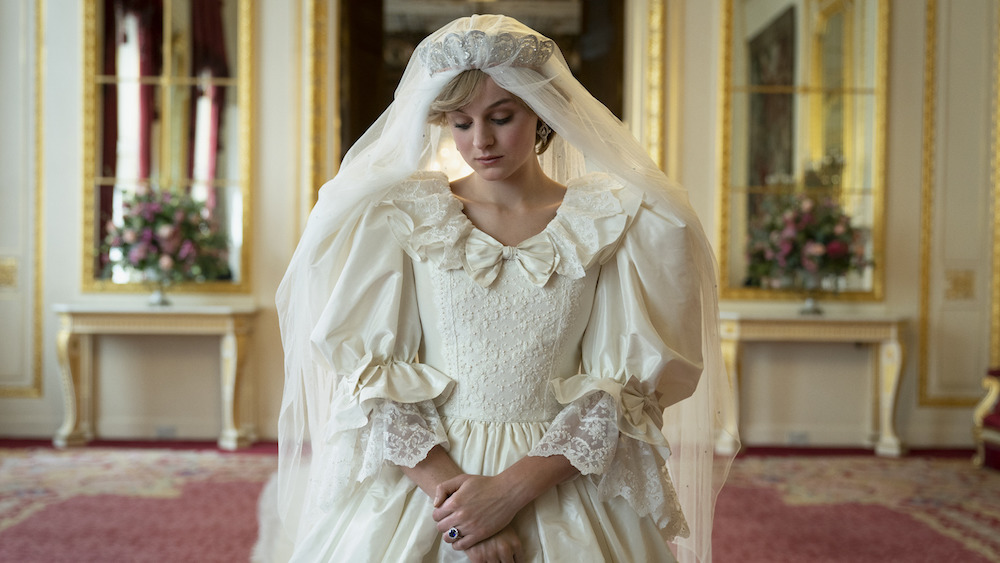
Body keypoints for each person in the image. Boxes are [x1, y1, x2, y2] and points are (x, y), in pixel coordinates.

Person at [275, 14, 738, 563]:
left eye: (501, 117)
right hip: (429, 477)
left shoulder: (612, 220)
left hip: (560, 478)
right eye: (461, 123)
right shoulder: (403, 215)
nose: (481, 141)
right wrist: (466, 517)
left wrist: (510, 492)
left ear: (541, 112)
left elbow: (622, 394)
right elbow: (373, 383)